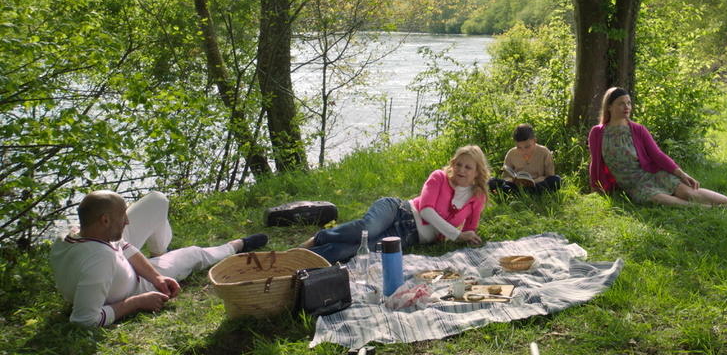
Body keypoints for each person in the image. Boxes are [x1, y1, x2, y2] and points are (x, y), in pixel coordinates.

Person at [49, 190, 268, 327]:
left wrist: (156, 277)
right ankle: (236, 246)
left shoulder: (72, 233)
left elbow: (123, 245)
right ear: (105, 220)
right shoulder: (99, 259)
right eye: (122, 216)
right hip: (132, 285)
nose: (127, 221)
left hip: (116, 267)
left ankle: (160, 256)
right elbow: (84, 320)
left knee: (157, 200)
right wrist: (138, 301)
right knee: (193, 253)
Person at [301, 145, 490, 264]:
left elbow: (469, 231)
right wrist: (456, 234)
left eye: (468, 167)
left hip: (407, 237)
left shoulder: (477, 197)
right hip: (398, 211)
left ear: (476, 173)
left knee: (351, 250)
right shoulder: (439, 177)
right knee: (366, 229)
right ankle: (318, 239)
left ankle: (298, 262)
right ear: (453, 164)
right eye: (459, 164)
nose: (461, 170)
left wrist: (468, 238)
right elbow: (425, 210)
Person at [589, 87, 727, 208]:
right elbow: (595, 163)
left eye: (629, 103)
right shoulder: (598, 132)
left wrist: (682, 174)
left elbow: (658, 155)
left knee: (689, 192)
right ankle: (708, 208)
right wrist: (595, 189)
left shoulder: (638, 129)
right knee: (659, 198)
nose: (627, 107)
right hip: (634, 185)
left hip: (653, 174)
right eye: (621, 103)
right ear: (609, 106)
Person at [489, 124, 562, 195]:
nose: (523, 151)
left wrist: (533, 181)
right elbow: (505, 177)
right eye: (519, 147)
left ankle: (517, 194)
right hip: (516, 186)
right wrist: (513, 181)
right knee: (492, 182)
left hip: (537, 185)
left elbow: (549, 176)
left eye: (527, 147)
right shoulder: (511, 153)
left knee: (556, 180)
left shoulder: (544, 152)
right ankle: (521, 194)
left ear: (534, 141)